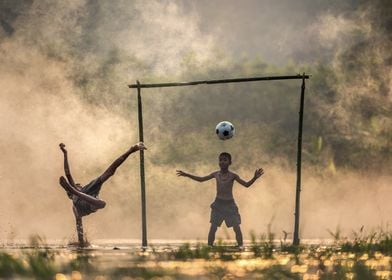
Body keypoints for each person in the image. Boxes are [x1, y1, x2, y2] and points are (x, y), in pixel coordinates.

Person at [58, 142, 146, 247]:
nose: (79, 184)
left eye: (78, 185)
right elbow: (67, 173)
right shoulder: (80, 195)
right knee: (101, 202)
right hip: (81, 201)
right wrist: (131, 150)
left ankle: (75, 192)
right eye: (77, 185)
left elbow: (79, 226)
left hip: (85, 199)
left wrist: (65, 154)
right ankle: (75, 192)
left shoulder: (89, 189)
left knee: (101, 202)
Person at [176, 152, 263, 248]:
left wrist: (254, 178)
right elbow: (201, 179)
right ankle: (209, 246)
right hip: (218, 204)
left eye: (225, 160)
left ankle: (240, 246)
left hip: (230, 205)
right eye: (220, 160)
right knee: (213, 227)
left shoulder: (233, 176)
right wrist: (187, 175)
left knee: (236, 227)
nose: (222, 162)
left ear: (230, 162)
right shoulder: (216, 174)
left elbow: (246, 185)